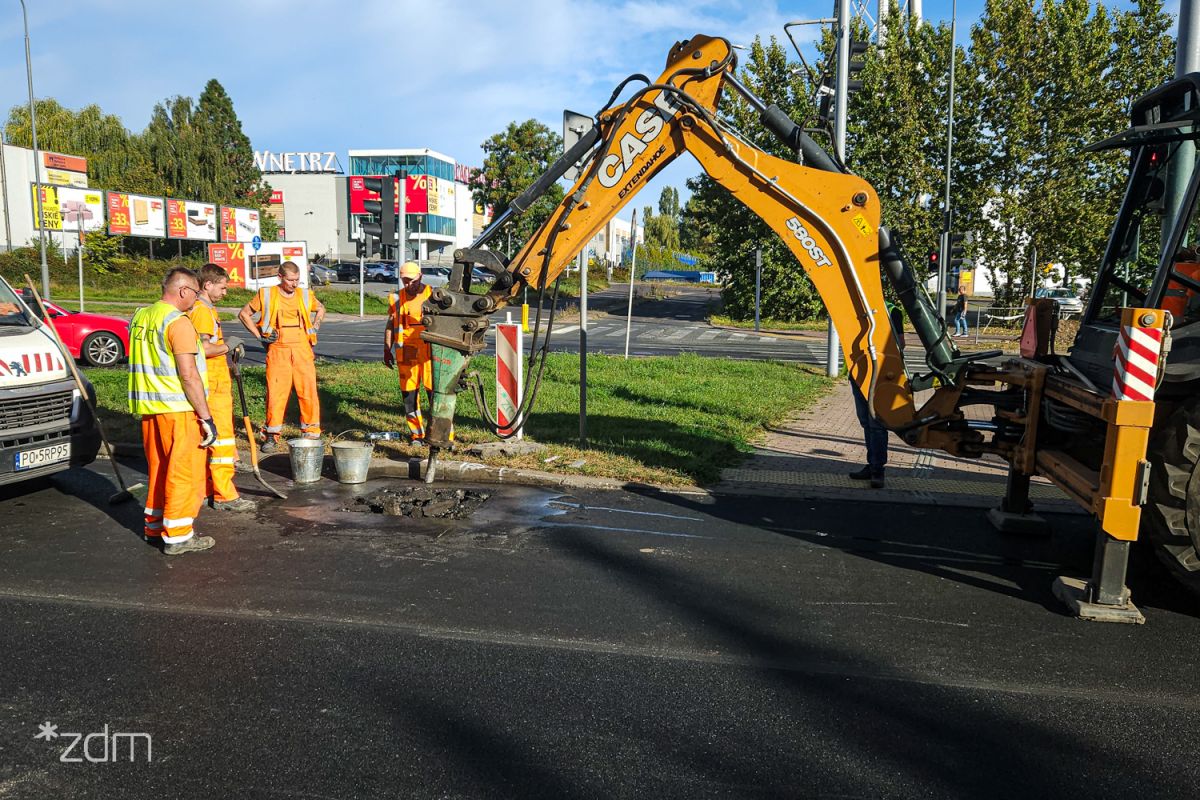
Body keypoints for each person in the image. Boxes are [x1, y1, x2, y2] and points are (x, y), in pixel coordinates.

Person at [128, 267, 217, 555]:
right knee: (183, 473)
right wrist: (206, 417)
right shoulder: (178, 323)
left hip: (151, 410)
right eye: (194, 292)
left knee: (159, 470)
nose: (196, 298)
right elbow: (189, 375)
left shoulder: (142, 316)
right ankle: (178, 535)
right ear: (182, 291)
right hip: (178, 410)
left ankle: (154, 527)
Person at [238, 261, 325, 453]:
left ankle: (311, 432)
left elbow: (321, 308)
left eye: (297, 280)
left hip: (303, 348)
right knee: (276, 393)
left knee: (308, 391)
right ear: (280, 277)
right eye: (290, 280)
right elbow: (244, 314)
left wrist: (316, 325)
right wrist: (259, 336)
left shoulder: (304, 294)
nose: (294, 284)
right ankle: (271, 434)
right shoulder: (266, 294)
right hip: (278, 349)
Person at [190, 263, 253, 512]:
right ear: (208, 285)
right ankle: (225, 494)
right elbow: (204, 349)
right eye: (223, 287)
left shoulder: (202, 308)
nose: (225, 292)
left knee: (210, 438)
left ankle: (207, 489)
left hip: (212, 381)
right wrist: (229, 346)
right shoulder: (202, 311)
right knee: (222, 440)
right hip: (213, 385)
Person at [848, 303, 904, 490]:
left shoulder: (892, 311)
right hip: (859, 373)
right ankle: (872, 465)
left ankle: (878, 469)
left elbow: (900, 343)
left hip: (880, 374)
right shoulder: (857, 310)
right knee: (866, 420)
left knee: (876, 423)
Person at [384, 262, 433, 443]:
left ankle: (440, 435)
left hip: (430, 352)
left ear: (420, 276)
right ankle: (417, 434)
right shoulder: (397, 298)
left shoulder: (433, 295)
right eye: (404, 281)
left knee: (436, 395)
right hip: (407, 353)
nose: (407, 285)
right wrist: (386, 349)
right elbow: (390, 324)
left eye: (411, 280)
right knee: (409, 396)